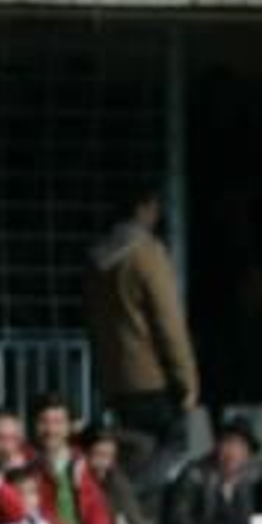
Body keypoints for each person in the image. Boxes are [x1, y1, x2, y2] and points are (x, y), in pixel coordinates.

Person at [83, 186, 202, 469]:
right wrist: (186, 379)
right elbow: (167, 320)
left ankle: (127, 503)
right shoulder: (146, 254)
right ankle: (134, 507)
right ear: (144, 208)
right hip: (151, 376)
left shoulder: (97, 258)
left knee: (131, 450)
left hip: (113, 376)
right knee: (171, 447)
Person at [161, 417, 261, 524]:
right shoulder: (194, 476)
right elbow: (180, 523)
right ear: (217, 446)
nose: (233, 452)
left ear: (247, 454)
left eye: (241, 446)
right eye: (228, 443)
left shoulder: (243, 484)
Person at [29, 393, 114, 524]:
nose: (51, 429)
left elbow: (98, 510)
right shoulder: (25, 467)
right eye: (43, 421)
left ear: (70, 426)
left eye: (58, 422)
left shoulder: (88, 464)